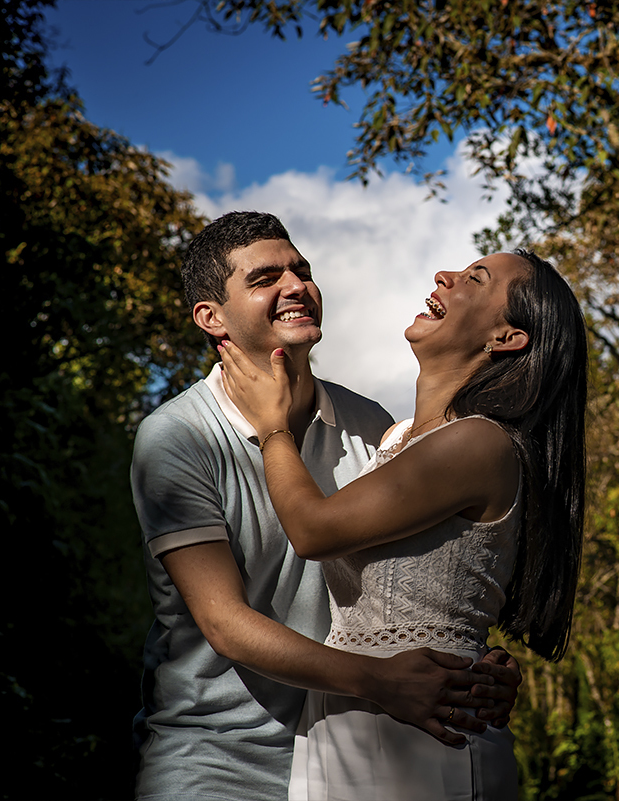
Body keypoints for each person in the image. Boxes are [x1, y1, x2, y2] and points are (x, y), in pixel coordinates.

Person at [131, 212, 521, 801]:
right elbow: (224, 624)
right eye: (266, 278)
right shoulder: (177, 437)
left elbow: (423, 578)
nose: (295, 286)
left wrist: (472, 667)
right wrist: (382, 681)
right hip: (216, 760)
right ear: (212, 318)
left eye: (302, 270)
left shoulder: (375, 426)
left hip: (346, 750)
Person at [220, 247, 587, 799]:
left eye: (474, 279)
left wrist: (273, 428)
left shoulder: (479, 442)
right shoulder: (393, 439)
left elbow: (314, 531)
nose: (443, 275)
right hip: (342, 722)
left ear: (506, 339)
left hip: (427, 726)